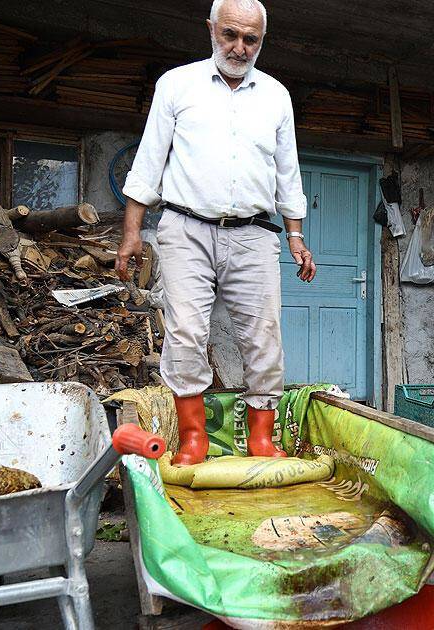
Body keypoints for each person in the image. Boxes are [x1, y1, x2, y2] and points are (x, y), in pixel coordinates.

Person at [115, 0, 315, 465]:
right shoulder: (177, 84)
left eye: (251, 40)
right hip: (185, 229)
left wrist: (296, 236)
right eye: (230, 35)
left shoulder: (276, 96)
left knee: (264, 336)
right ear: (210, 29)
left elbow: (288, 174)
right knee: (185, 333)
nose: (239, 47)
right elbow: (148, 164)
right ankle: (193, 438)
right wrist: (131, 233)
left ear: (262, 41)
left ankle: (261, 439)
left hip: (254, 236)